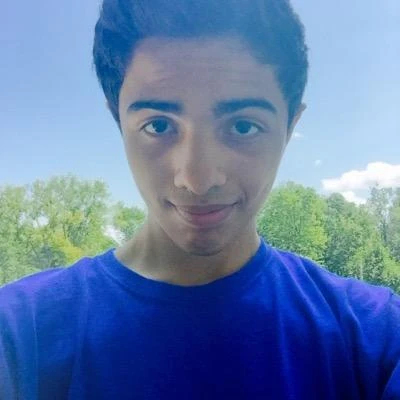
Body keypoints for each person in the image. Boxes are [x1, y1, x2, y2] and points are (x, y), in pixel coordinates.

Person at [1, 0, 399, 398]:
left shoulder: (376, 338)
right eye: (158, 126)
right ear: (119, 122)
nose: (198, 179)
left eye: (243, 127)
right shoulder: (20, 336)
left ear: (290, 126)